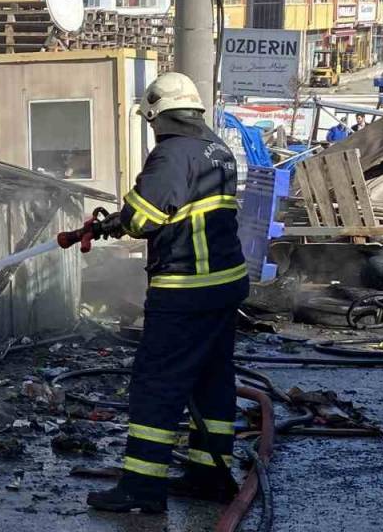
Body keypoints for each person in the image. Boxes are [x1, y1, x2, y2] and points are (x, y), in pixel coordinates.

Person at [86, 72, 249, 514]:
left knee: (157, 384)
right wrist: (112, 223)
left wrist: (125, 213)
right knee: (213, 379)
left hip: (185, 290)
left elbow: (144, 218)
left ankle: (141, 487)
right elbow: (180, 208)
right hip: (224, 284)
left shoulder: (171, 154)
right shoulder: (216, 147)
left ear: (159, 116)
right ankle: (209, 475)